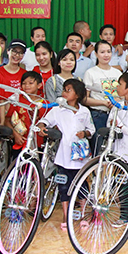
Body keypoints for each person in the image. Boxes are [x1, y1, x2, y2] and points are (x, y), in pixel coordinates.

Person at [37, 79, 94, 231]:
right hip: (64, 157)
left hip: (81, 157)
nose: (64, 93)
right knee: (64, 186)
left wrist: (85, 133)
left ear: (78, 95)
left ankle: (82, 215)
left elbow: (91, 129)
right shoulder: (58, 110)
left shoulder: (85, 111)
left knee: (82, 186)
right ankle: (65, 215)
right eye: (64, 89)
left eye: (68, 90)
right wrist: (42, 127)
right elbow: (44, 120)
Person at [83, 40, 123, 151]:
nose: (106, 55)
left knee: (114, 148)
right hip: (98, 115)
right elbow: (85, 99)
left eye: (108, 52)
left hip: (116, 115)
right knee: (98, 147)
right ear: (95, 54)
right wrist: (104, 103)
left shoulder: (117, 73)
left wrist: (115, 101)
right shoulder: (90, 72)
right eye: (102, 52)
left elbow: (123, 95)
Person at [4, 71, 46, 154]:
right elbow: (7, 120)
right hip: (20, 142)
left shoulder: (45, 104)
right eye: (24, 83)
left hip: (39, 146)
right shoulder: (17, 100)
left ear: (39, 85)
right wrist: (16, 135)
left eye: (30, 83)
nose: (27, 86)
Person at [0, 39, 27, 124]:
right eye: (14, 51)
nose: (17, 55)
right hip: (1, 118)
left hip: (20, 120)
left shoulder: (25, 75)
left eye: (20, 53)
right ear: (8, 51)